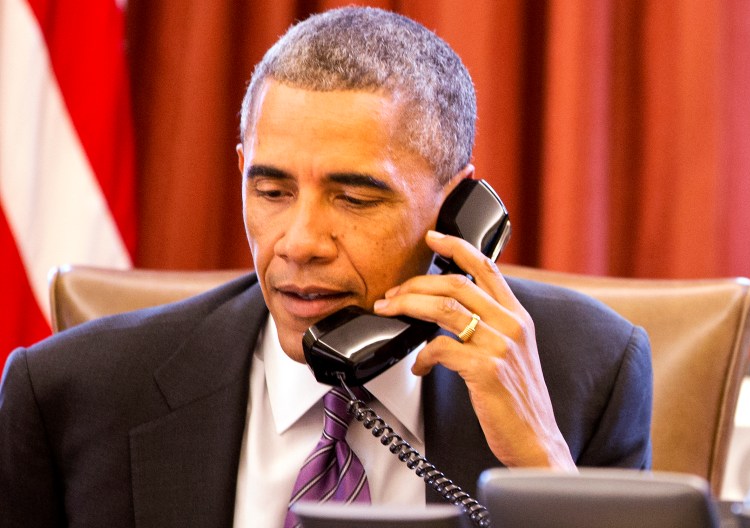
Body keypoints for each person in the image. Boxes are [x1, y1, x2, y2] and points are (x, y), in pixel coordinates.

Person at [0, 6, 652, 528]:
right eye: (272, 191)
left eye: (354, 198)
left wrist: (543, 468)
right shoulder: (72, 393)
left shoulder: (588, 372)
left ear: (457, 209)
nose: (300, 242)